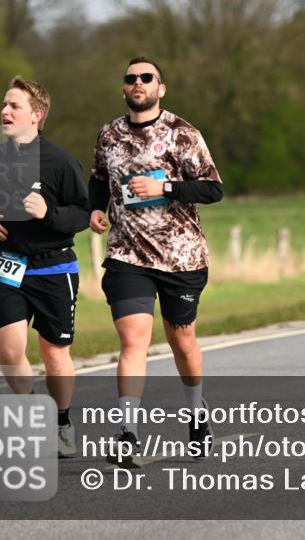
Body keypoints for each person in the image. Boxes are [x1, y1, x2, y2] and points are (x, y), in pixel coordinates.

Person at [90, 57, 223, 467]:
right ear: (123, 88)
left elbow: (213, 190)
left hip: (180, 257)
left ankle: (197, 414)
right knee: (133, 340)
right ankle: (128, 433)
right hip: (127, 254)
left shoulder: (183, 134)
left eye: (146, 78)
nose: (138, 83)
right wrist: (94, 210)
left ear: (161, 87)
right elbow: (98, 179)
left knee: (182, 342)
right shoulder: (109, 135)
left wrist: (165, 186)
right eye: (130, 78)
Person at [0, 76, 89, 457]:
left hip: (54, 269)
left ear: (36, 115)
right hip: (8, 267)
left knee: (54, 353)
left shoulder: (60, 162)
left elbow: (83, 213)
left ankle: (61, 422)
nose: (5, 111)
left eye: (14, 106)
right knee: (10, 352)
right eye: (4, 104)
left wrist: (49, 212)